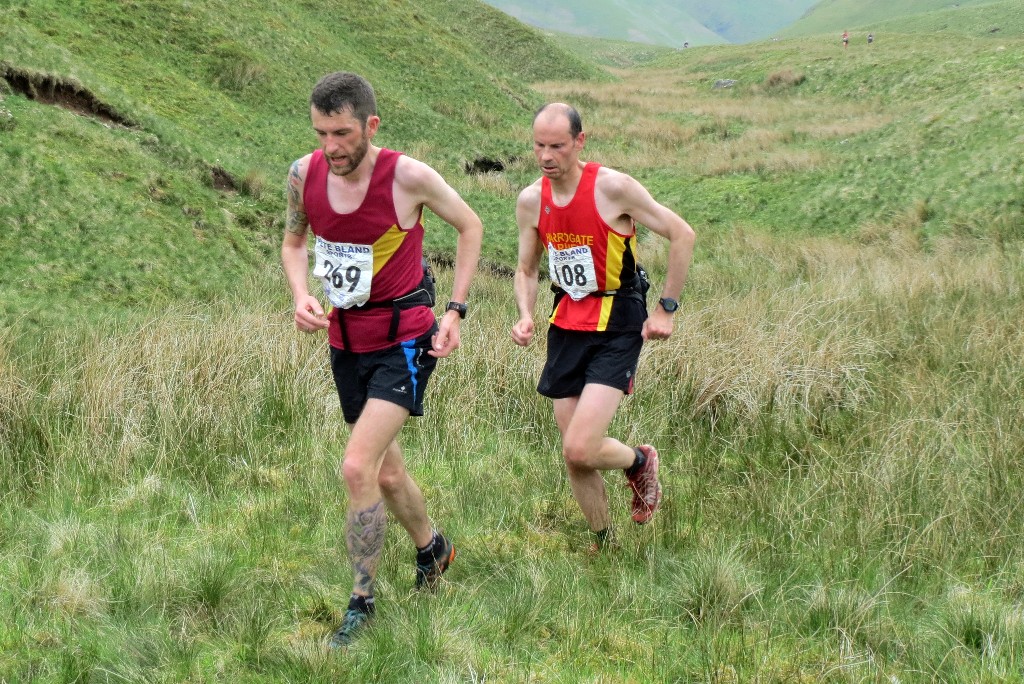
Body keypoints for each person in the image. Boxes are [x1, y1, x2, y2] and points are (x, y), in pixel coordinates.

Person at [281, 71, 483, 647]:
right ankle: (433, 550)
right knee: (386, 473)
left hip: (405, 339)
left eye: (342, 133)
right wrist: (300, 294)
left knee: (356, 467)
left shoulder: (407, 177)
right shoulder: (303, 175)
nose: (331, 147)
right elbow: (294, 243)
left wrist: (455, 310)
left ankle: (361, 602)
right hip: (346, 342)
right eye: (321, 133)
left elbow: (470, 226)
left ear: (371, 125)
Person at [511, 103, 695, 550]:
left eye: (557, 146)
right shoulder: (532, 200)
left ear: (580, 141)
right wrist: (525, 314)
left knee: (580, 446)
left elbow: (682, 234)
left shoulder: (614, 188)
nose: (546, 156)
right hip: (565, 322)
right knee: (574, 454)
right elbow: (527, 269)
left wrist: (666, 309)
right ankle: (604, 543)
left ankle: (638, 462)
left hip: (617, 322)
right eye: (539, 145)